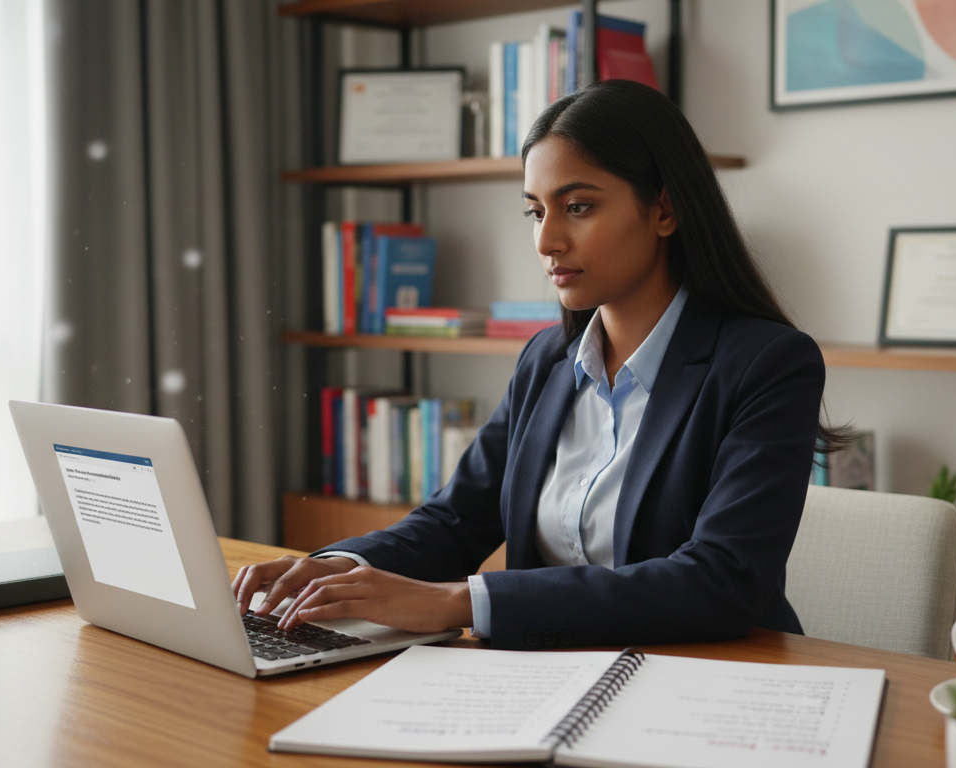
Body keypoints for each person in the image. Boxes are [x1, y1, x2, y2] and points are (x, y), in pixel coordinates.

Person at [233, 79, 840, 651]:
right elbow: (455, 521)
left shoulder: (767, 365)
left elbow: (719, 582)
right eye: (535, 211)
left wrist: (456, 603)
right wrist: (338, 567)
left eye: (577, 207)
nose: (548, 240)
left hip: (709, 678)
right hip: (541, 678)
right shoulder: (546, 360)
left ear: (665, 210)